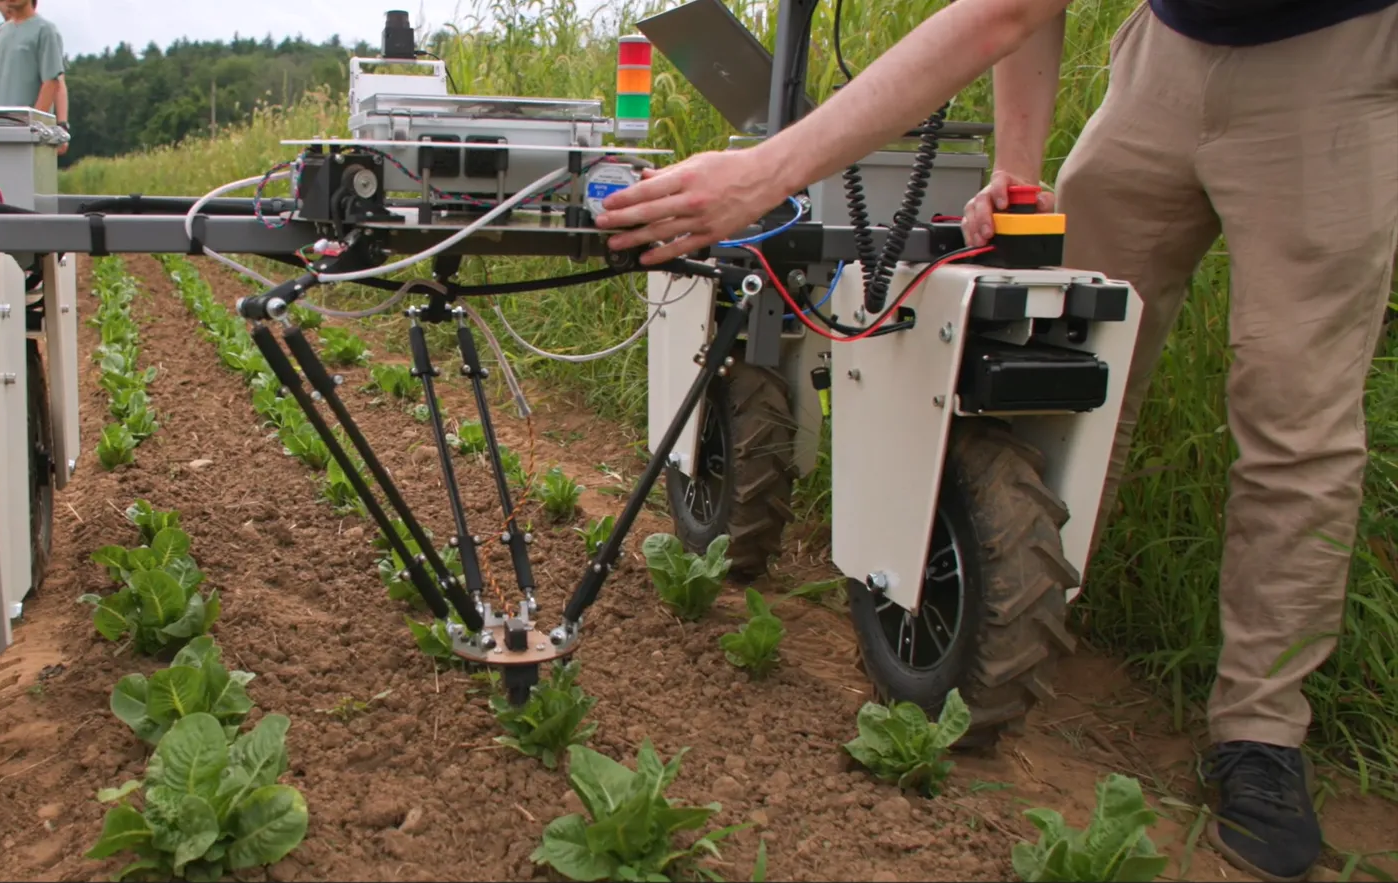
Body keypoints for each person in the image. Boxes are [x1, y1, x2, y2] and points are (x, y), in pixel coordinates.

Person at [593, 1, 1397, 881]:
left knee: (1295, 412)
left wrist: (766, 173)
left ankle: (1262, 730)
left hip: (1329, 59)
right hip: (1170, 49)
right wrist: (1016, 170)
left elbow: (1002, 12)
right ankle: (1028, 609)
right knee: (1066, 342)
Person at [0, 0, 71, 155]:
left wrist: (33, 128)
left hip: (31, 136)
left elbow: (52, 83)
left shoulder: (45, 30)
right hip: (0, 132)